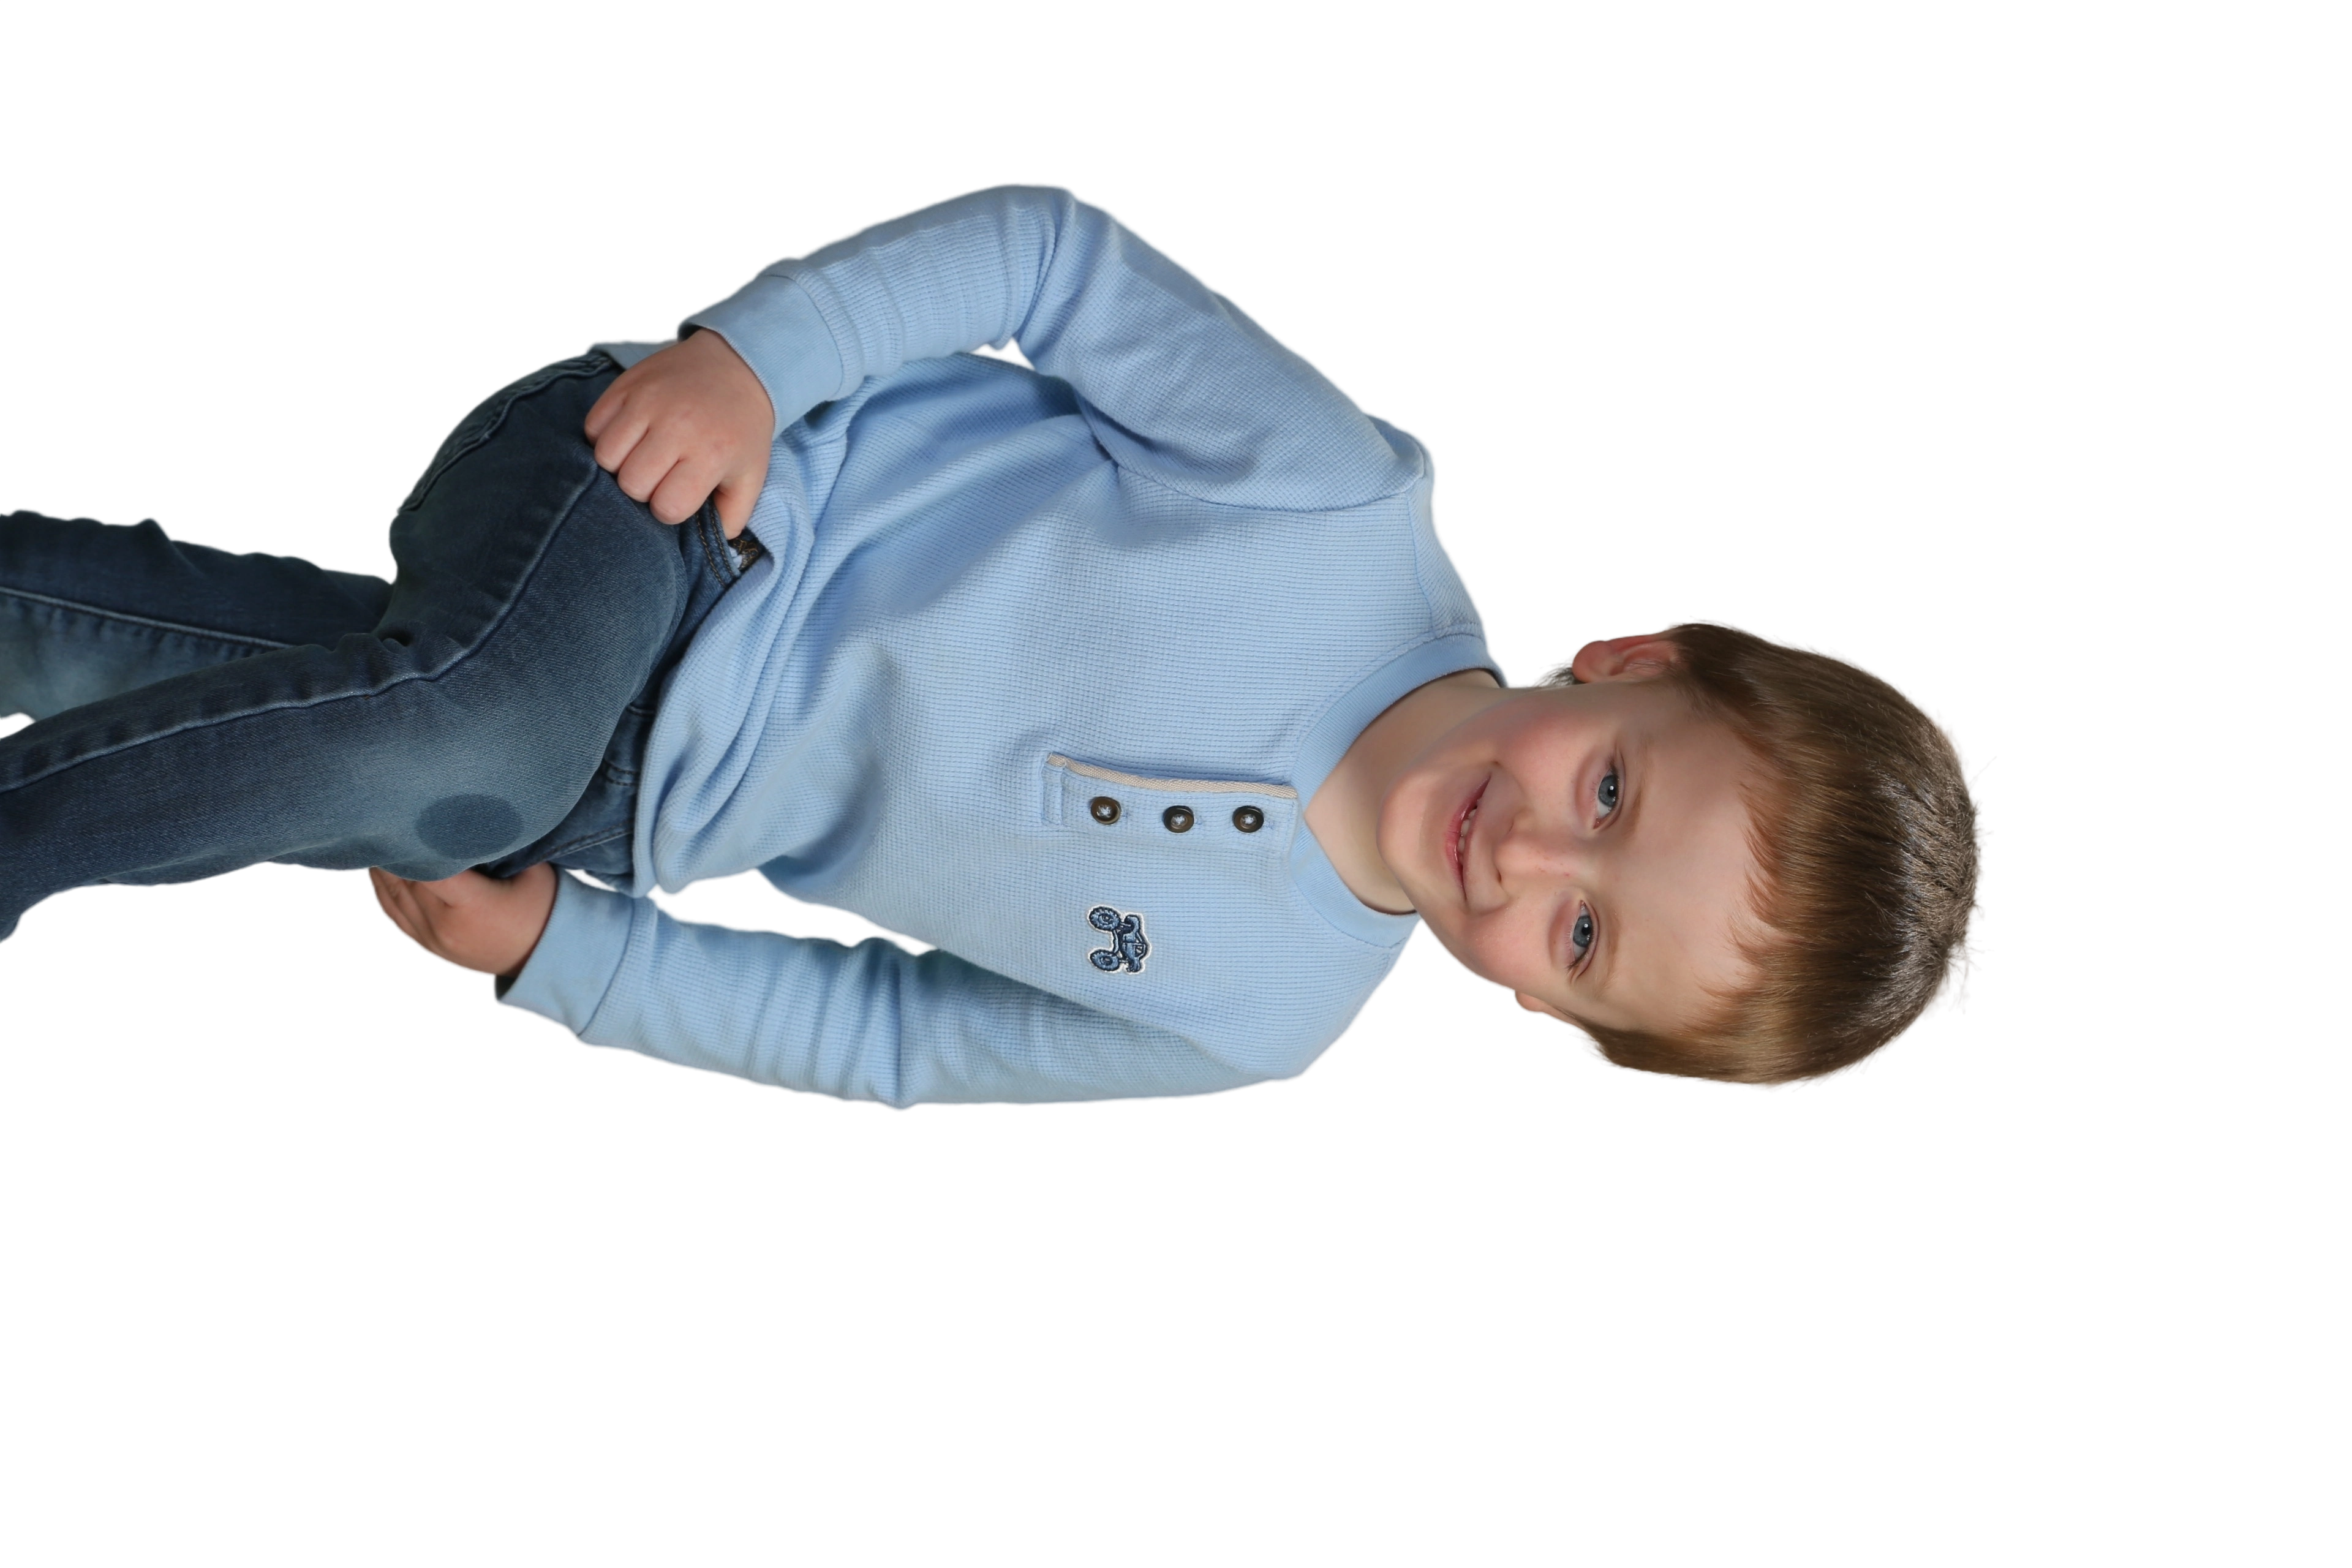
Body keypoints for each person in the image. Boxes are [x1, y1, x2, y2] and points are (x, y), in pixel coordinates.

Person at [0, 181, 1992, 1107]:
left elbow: (898, 1037)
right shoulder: (1333, 509)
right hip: (678, 505)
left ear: (1559, 1012)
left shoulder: (1252, 1018)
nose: (1530, 855)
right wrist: (756, 361)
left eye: (1581, 933)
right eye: (1612, 795)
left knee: (269, 703)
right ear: (1630, 662)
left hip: (618, 815)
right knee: (470, 735)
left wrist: (575, 962)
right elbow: (1059, 261)